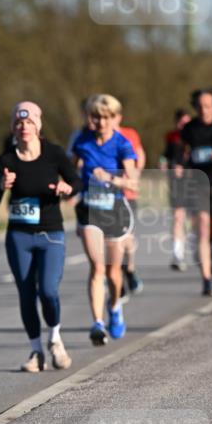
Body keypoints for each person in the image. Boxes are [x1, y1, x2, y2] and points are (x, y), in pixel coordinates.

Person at [0, 101, 80, 372]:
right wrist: (1, 186)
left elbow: (77, 181)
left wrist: (67, 187)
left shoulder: (54, 153)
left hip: (51, 234)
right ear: (13, 127)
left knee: (48, 290)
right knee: (26, 293)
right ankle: (36, 351)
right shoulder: (7, 160)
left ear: (38, 125)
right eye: (18, 122)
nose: (24, 127)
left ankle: (55, 338)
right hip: (19, 236)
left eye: (29, 122)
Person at [71, 94, 138, 345]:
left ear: (114, 119)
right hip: (89, 211)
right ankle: (97, 323)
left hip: (115, 211)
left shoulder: (122, 144)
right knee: (97, 267)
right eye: (96, 116)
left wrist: (110, 178)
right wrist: (68, 188)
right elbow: (71, 171)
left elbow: (133, 182)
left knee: (112, 271)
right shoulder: (82, 141)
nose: (100, 122)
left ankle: (115, 307)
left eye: (105, 117)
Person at [181, 89, 212, 296]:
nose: (203, 110)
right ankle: (207, 279)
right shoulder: (190, 128)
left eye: (207, 106)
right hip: (197, 183)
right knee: (202, 231)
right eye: (200, 106)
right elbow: (183, 152)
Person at [116, 116, 146, 299]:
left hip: (127, 195)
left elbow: (140, 154)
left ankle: (130, 269)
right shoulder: (89, 138)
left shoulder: (129, 134)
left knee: (127, 237)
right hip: (104, 199)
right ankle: (117, 281)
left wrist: (136, 174)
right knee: (111, 242)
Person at [162, 108, 192, 270]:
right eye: (181, 122)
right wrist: (165, 164)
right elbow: (165, 156)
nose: (184, 125)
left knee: (197, 219)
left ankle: (205, 250)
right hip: (177, 183)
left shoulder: (195, 135)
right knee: (178, 217)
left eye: (186, 122)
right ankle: (177, 254)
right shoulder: (171, 137)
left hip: (195, 182)